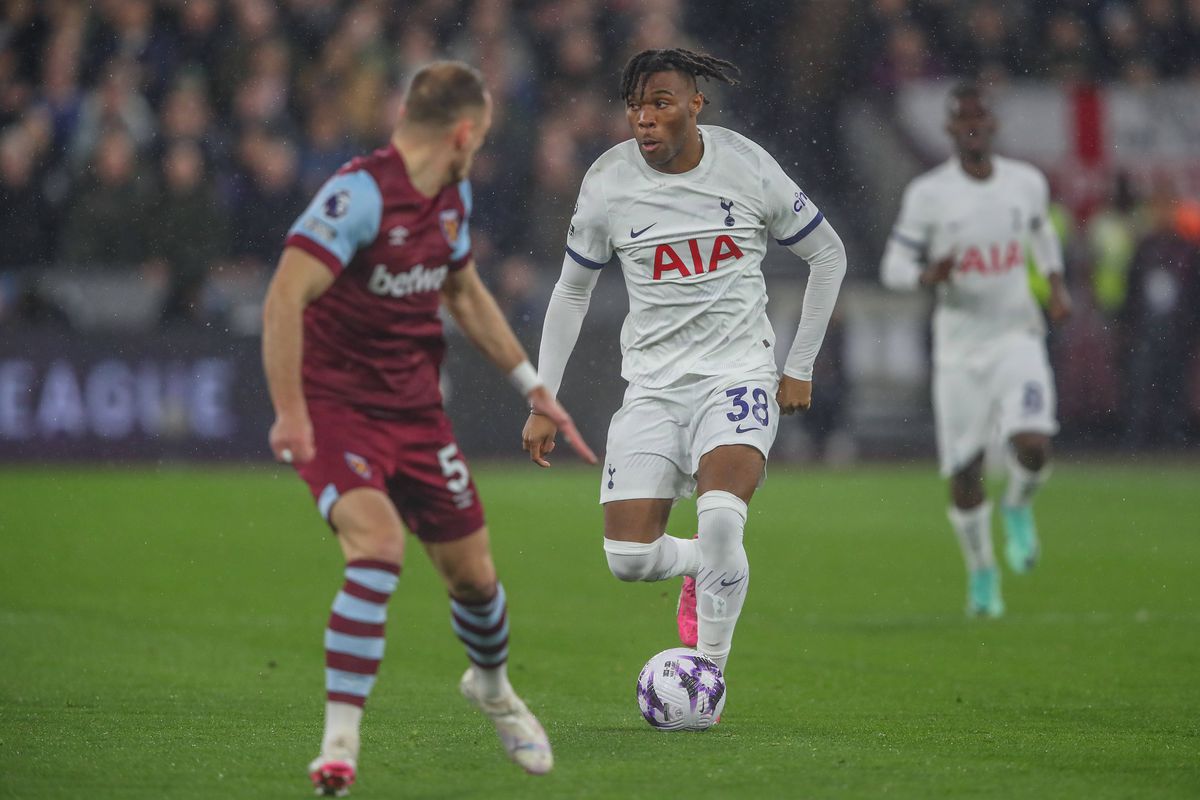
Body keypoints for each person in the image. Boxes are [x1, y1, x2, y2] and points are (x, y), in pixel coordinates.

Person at [261, 61, 595, 797]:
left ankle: (493, 687)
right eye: (483, 138)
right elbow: (286, 294)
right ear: (464, 131)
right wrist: (290, 411)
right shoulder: (358, 195)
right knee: (377, 546)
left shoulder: (450, 194)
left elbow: (463, 290)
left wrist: (531, 383)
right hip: (337, 412)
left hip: (417, 415)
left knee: (474, 579)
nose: (480, 151)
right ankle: (338, 747)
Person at [522, 49, 847, 678]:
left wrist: (798, 363)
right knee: (628, 559)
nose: (644, 120)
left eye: (660, 104)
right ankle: (702, 567)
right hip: (651, 387)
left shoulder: (747, 166)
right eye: (635, 108)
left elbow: (827, 254)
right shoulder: (607, 182)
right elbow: (571, 291)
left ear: (696, 106)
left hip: (737, 375)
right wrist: (544, 400)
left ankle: (710, 674)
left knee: (724, 518)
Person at [880, 81, 1072, 618]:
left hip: (1017, 336)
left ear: (993, 125)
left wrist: (1055, 285)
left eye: (980, 118)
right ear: (949, 129)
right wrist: (926, 274)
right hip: (960, 351)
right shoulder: (929, 194)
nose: (972, 126)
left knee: (1033, 443)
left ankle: (1018, 506)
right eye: (962, 119)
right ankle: (983, 573)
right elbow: (892, 268)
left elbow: (1040, 233)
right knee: (965, 472)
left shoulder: (1025, 183)